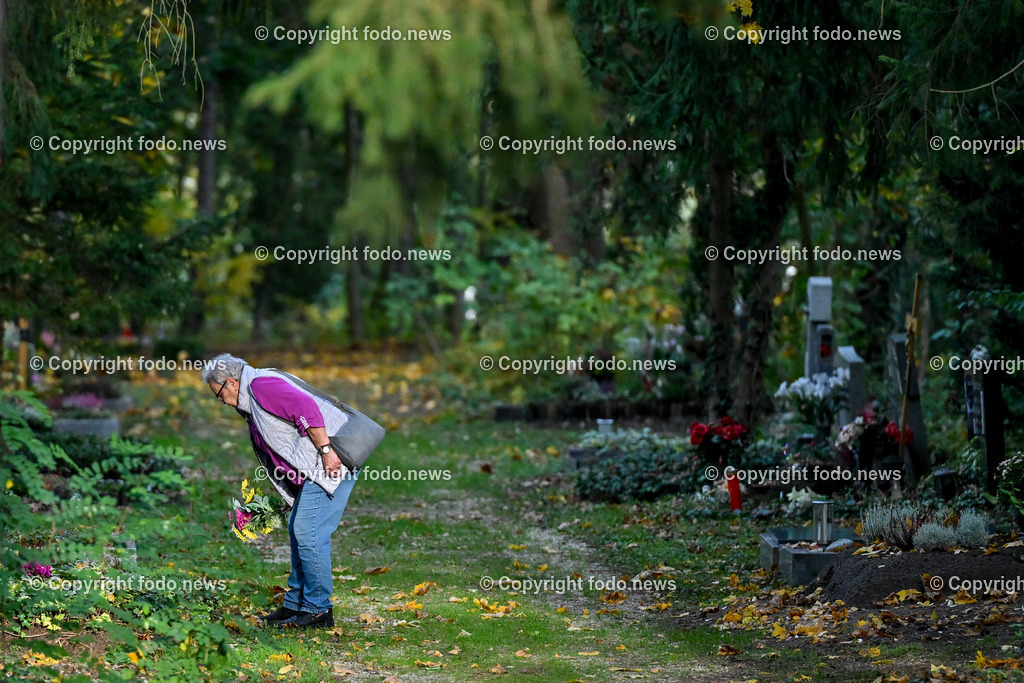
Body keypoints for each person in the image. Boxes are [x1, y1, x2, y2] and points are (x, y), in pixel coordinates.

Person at [201, 353, 356, 629]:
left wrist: (326, 450)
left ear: (231, 382)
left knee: (309, 532)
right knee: (299, 528)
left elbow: (306, 408)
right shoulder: (252, 396)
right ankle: (296, 604)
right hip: (311, 470)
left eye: (219, 394)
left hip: (329, 463)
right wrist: (290, 492)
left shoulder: (261, 386)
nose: (222, 402)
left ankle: (318, 610)